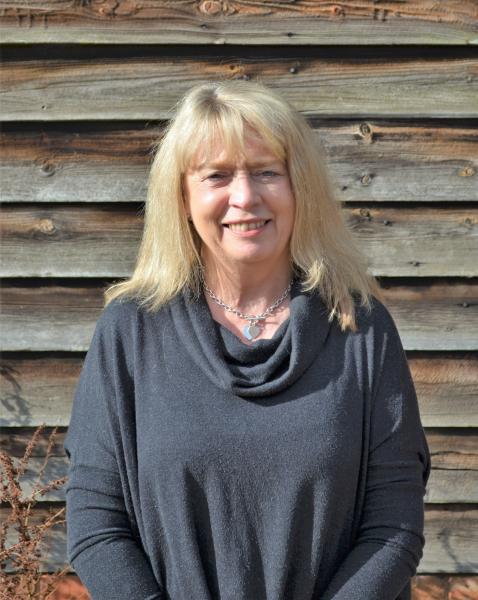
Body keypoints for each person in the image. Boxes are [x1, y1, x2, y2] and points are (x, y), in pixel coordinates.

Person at [64, 79, 431, 600]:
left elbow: (394, 526)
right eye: (217, 176)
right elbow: (97, 521)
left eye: (266, 173)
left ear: (299, 186)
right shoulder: (131, 330)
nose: (244, 197)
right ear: (182, 197)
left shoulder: (360, 328)